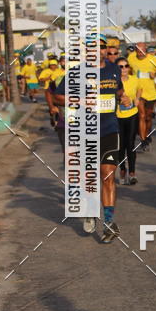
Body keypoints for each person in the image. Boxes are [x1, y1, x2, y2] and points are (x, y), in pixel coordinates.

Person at [54, 35, 123, 241]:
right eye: (93, 48)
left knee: (108, 176)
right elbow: (58, 96)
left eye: (101, 47)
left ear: (105, 50)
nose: (98, 51)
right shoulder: (76, 72)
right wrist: (80, 100)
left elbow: (118, 90)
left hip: (110, 129)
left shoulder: (114, 69)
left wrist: (123, 96)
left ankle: (109, 222)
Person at [127, 42, 156, 150]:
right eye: (138, 51)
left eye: (142, 51)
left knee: (148, 117)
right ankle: (143, 140)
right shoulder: (131, 58)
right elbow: (129, 69)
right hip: (137, 92)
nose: (140, 54)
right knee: (141, 115)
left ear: (146, 50)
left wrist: (155, 74)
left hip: (150, 92)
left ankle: (147, 134)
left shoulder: (153, 59)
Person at [116, 56, 142, 185]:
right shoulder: (114, 81)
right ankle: (122, 170)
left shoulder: (134, 79)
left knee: (130, 144)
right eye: (121, 66)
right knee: (121, 145)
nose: (124, 69)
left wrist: (137, 99)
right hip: (117, 116)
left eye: (126, 66)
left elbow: (140, 88)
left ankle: (132, 173)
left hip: (132, 115)